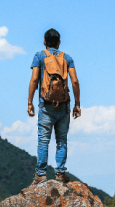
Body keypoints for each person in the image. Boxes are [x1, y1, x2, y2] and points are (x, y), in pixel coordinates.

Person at [28, 28, 81, 185]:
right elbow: (75, 81)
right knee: (62, 140)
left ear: (44, 42)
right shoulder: (67, 58)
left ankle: (40, 175)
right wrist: (77, 104)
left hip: (46, 104)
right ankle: (60, 173)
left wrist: (29, 102)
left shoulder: (39, 56)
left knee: (43, 139)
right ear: (59, 43)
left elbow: (34, 79)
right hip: (64, 105)